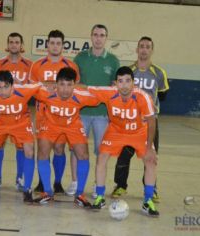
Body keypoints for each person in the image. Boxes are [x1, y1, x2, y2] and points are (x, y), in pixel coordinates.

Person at [88, 66, 159, 217]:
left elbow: (152, 122)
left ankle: (148, 201)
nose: (124, 85)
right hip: (116, 131)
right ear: (115, 83)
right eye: (120, 81)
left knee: (151, 161)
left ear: (134, 82)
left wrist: (149, 148)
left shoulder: (143, 97)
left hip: (138, 132)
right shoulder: (109, 93)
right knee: (101, 158)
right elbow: (87, 89)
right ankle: (100, 197)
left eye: (128, 81)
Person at [112, 36, 169, 202]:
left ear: (152, 50)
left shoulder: (159, 73)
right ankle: (120, 185)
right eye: (141, 46)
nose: (144, 49)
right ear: (137, 50)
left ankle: (151, 188)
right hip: (129, 120)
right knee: (124, 154)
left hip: (150, 121)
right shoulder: (129, 71)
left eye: (147, 47)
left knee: (150, 154)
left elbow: (163, 95)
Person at [33, 67, 99, 208]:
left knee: (84, 155)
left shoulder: (81, 95)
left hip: (73, 125)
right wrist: (45, 83)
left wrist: (84, 87)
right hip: (50, 125)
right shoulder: (46, 93)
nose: (65, 89)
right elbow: (27, 87)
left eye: (69, 85)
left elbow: (100, 96)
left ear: (74, 86)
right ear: (56, 85)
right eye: (62, 84)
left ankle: (80, 194)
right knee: (42, 153)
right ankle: (47, 192)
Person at [68, 24, 120, 198]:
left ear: (106, 38)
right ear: (91, 36)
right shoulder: (80, 58)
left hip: (102, 115)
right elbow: (72, 84)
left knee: (102, 151)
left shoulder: (113, 61)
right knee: (76, 149)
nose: (98, 38)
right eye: (95, 34)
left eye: (102, 35)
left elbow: (115, 88)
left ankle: (98, 184)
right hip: (81, 113)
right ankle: (75, 183)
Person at [0, 70, 39, 201]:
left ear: (12, 85)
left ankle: (27, 189)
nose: (2, 91)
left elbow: (42, 86)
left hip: (21, 123)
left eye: (6, 87)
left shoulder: (24, 90)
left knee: (29, 151)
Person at [30, 30, 80, 194]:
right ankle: (43, 181)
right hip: (42, 114)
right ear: (47, 45)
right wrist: (48, 84)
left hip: (62, 114)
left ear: (63, 46)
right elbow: (32, 88)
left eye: (58, 43)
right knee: (43, 149)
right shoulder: (37, 65)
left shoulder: (70, 65)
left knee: (59, 148)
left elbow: (76, 88)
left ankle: (57, 182)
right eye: (52, 43)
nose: (55, 46)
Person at [0, 32, 33, 191]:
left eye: (17, 42)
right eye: (11, 42)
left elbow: (33, 88)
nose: (14, 45)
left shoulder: (29, 65)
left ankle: (20, 178)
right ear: (7, 45)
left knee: (21, 147)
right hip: (0, 114)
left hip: (20, 115)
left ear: (21, 45)